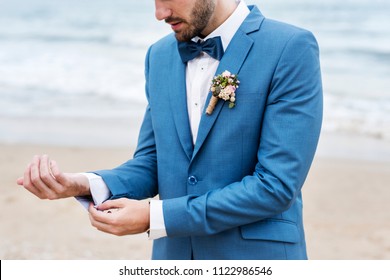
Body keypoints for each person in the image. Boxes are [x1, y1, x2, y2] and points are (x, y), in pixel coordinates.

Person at [17, 0, 323, 260]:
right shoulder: (159, 55)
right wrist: (82, 184)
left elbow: (275, 186)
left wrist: (155, 217)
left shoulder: (290, 48)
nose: (159, 13)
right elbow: (153, 162)